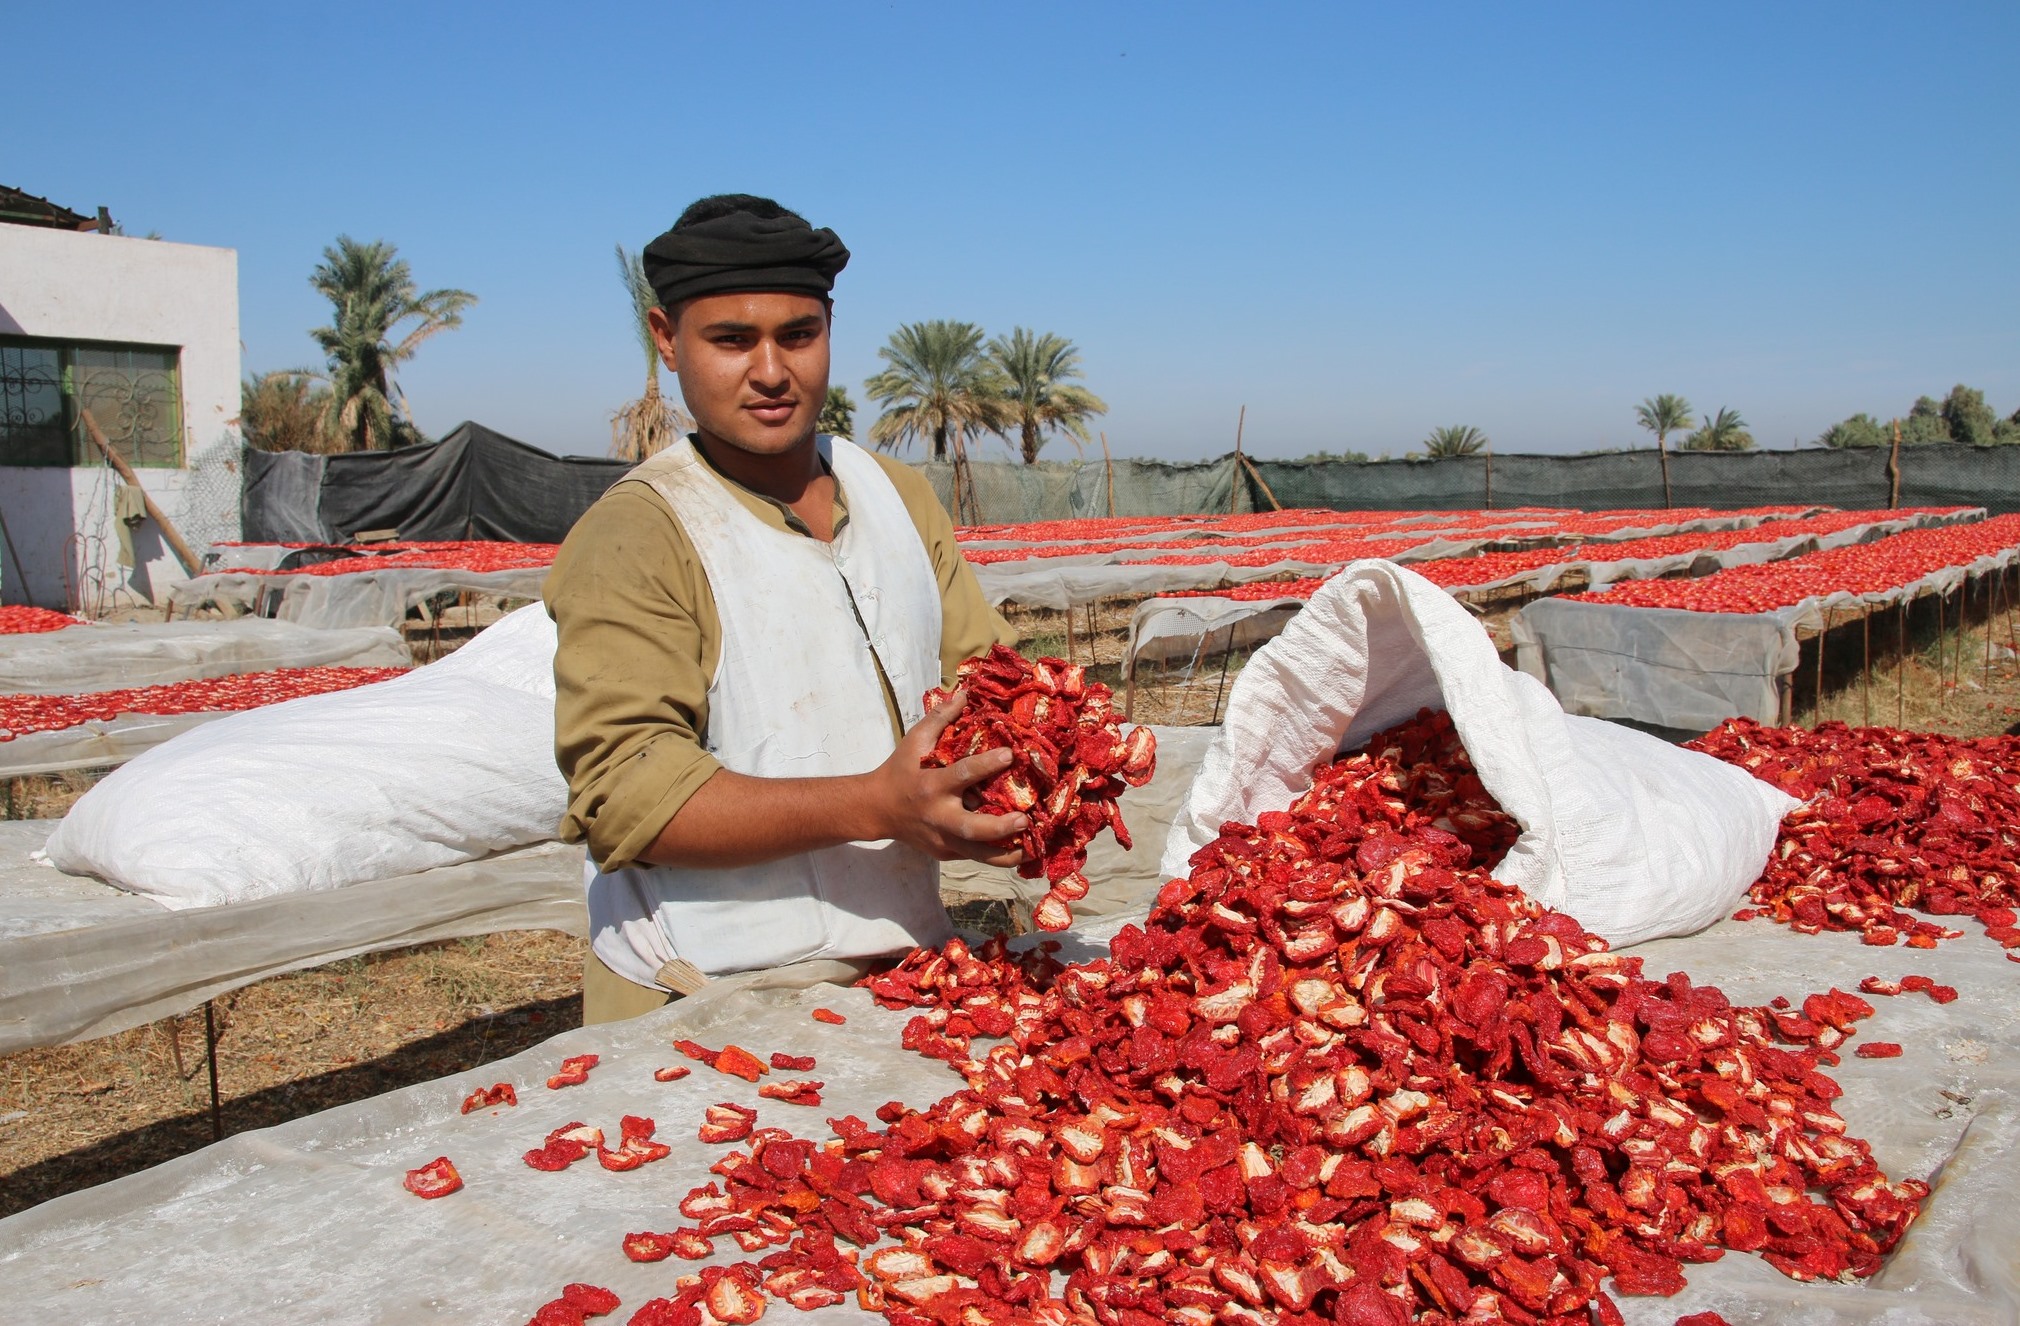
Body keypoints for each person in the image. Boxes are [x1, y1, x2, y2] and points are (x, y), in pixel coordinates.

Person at [544, 194, 1022, 1024]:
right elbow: (625, 793)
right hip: (702, 998)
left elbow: (992, 684)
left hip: (900, 972)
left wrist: (1041, 764)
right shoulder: (641, 530)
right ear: (666, 338)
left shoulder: (895, 496)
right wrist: (874, 805)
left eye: (798, 336)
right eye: (731, 340)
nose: (771, 371)